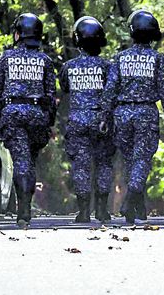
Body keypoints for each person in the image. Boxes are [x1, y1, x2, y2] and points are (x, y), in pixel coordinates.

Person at [102, 9, 164, 225]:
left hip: (122, 114)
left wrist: (106, 116)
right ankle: (130, 200)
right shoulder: (157, 59)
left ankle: (137, 209)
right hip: (146, 113)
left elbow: (110, 89)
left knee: (129, 161)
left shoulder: (120, 58)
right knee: (142, 160)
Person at [0, 13, 57, 228]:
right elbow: (50, 94)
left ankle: (23, 211)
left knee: (21, 161)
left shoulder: (6, 58)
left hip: (13, 114)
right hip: (37, 115)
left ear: (17, 34)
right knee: (29, 160)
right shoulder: (45, 61)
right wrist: (49, 121)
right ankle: (25, 207)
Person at [59, 16, 114, 223]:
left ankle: (83, 211)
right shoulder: (108, 67)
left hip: (78, 121)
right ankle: (101, 210)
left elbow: (64, 90)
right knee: (103, 164)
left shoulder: (68, 67)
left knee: (81, 166)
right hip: (102, 121)